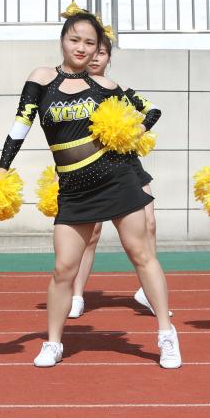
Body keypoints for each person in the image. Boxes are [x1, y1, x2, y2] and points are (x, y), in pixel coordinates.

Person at [0, 4, 180, 368]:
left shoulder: (106, 86)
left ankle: (166, 334)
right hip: (74, 190)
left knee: (141, 255)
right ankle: (53, 342)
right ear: (62, 40)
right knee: (63, 269)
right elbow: (21, 125)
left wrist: (132, 133)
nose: (81, 48)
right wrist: (3, 167)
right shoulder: (42, 79)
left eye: (90, 43)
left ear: (98, 48)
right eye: (75, 39)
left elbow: (151, 111)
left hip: (117, 180)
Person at [68, 27, 165, 319]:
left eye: (102, 52)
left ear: (108, 58)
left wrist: (136, 131)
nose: (96, 57)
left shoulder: (116, 89)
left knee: (149, 223)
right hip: (91, 167)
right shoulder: (73, 88)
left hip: (126, 163)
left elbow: (153, 110)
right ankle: (76, 295)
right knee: (92, 233)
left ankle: (147, 290)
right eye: (93, 51)